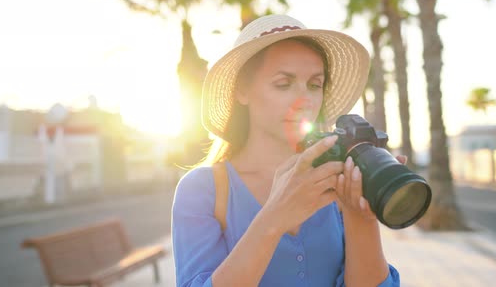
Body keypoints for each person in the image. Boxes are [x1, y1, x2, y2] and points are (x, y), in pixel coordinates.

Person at [172, 14, 404, 286]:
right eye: (283, 83)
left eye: (315, 85)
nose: (304, 98)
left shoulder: (337, 181)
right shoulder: (204, 190)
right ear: (242, 91)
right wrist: (274, 218)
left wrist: (362, 218)